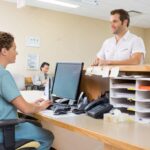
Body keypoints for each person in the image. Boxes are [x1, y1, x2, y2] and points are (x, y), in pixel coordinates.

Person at [0, 31, 54, 150]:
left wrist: (32, 104)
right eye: (14, 48)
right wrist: (41, 106)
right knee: (48, 136)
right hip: (5, 130)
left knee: (37, 124)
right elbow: (25, 109)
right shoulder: (3, 75)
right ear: (4, 51)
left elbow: (16, 104)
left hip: (4, 125)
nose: (17, 52)